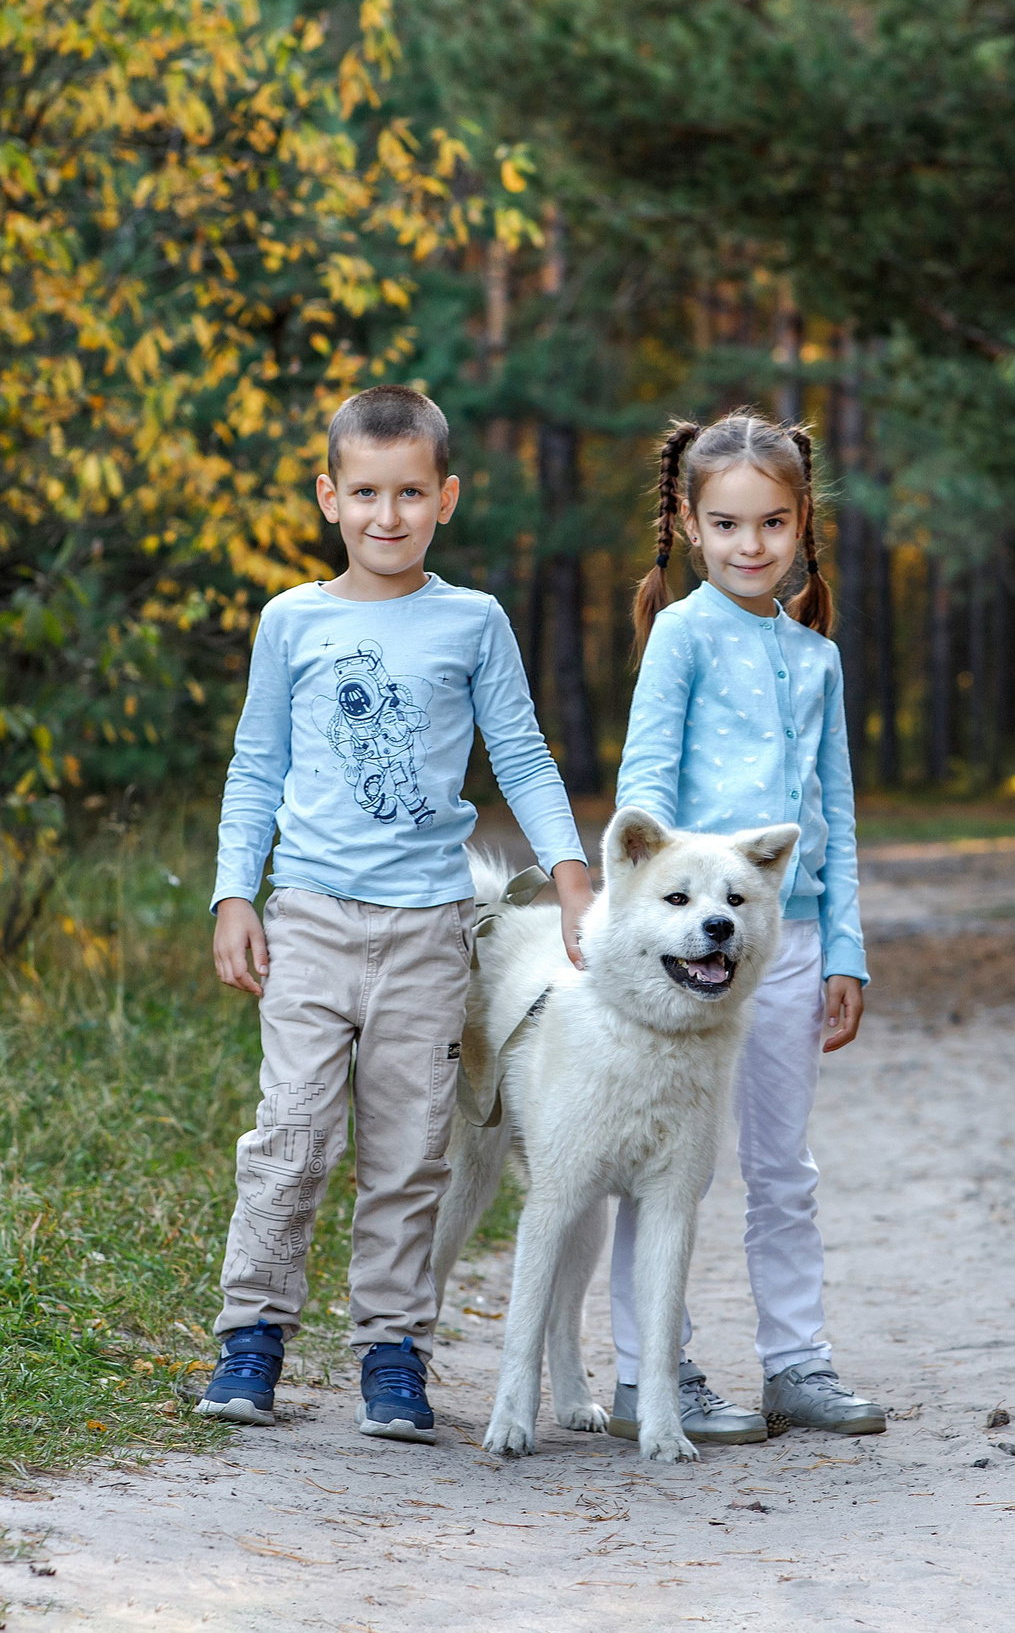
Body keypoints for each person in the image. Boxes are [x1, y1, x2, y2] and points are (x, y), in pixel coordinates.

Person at [198, 384, 595, 1444]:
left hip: (427, 932)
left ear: (445, 497)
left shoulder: (472, 621)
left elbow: (520, 752)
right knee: (290, 1134)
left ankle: (391, 1350)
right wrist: (235, 890)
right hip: (313, 918)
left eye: (409, 492)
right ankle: (253, 1335)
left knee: (413, 1147)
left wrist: (568, 871)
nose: (387, 515)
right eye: (365, 492)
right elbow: (255, 764)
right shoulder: (293, 621)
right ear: (329, 496)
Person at [604, 409, 884, 1444]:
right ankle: (649, 1371)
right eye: (726, 524)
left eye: (772, 522)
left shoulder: (816, 659)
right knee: (667, 1158)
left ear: (802, 520)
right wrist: (637, 927)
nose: (750, 544)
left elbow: (836, 814)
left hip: (788, 943)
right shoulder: (679, 636)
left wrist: (843, 947)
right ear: (687, 521)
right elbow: (643, 796)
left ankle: (796, 1364)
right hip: (686, 954)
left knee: (782, 1164)